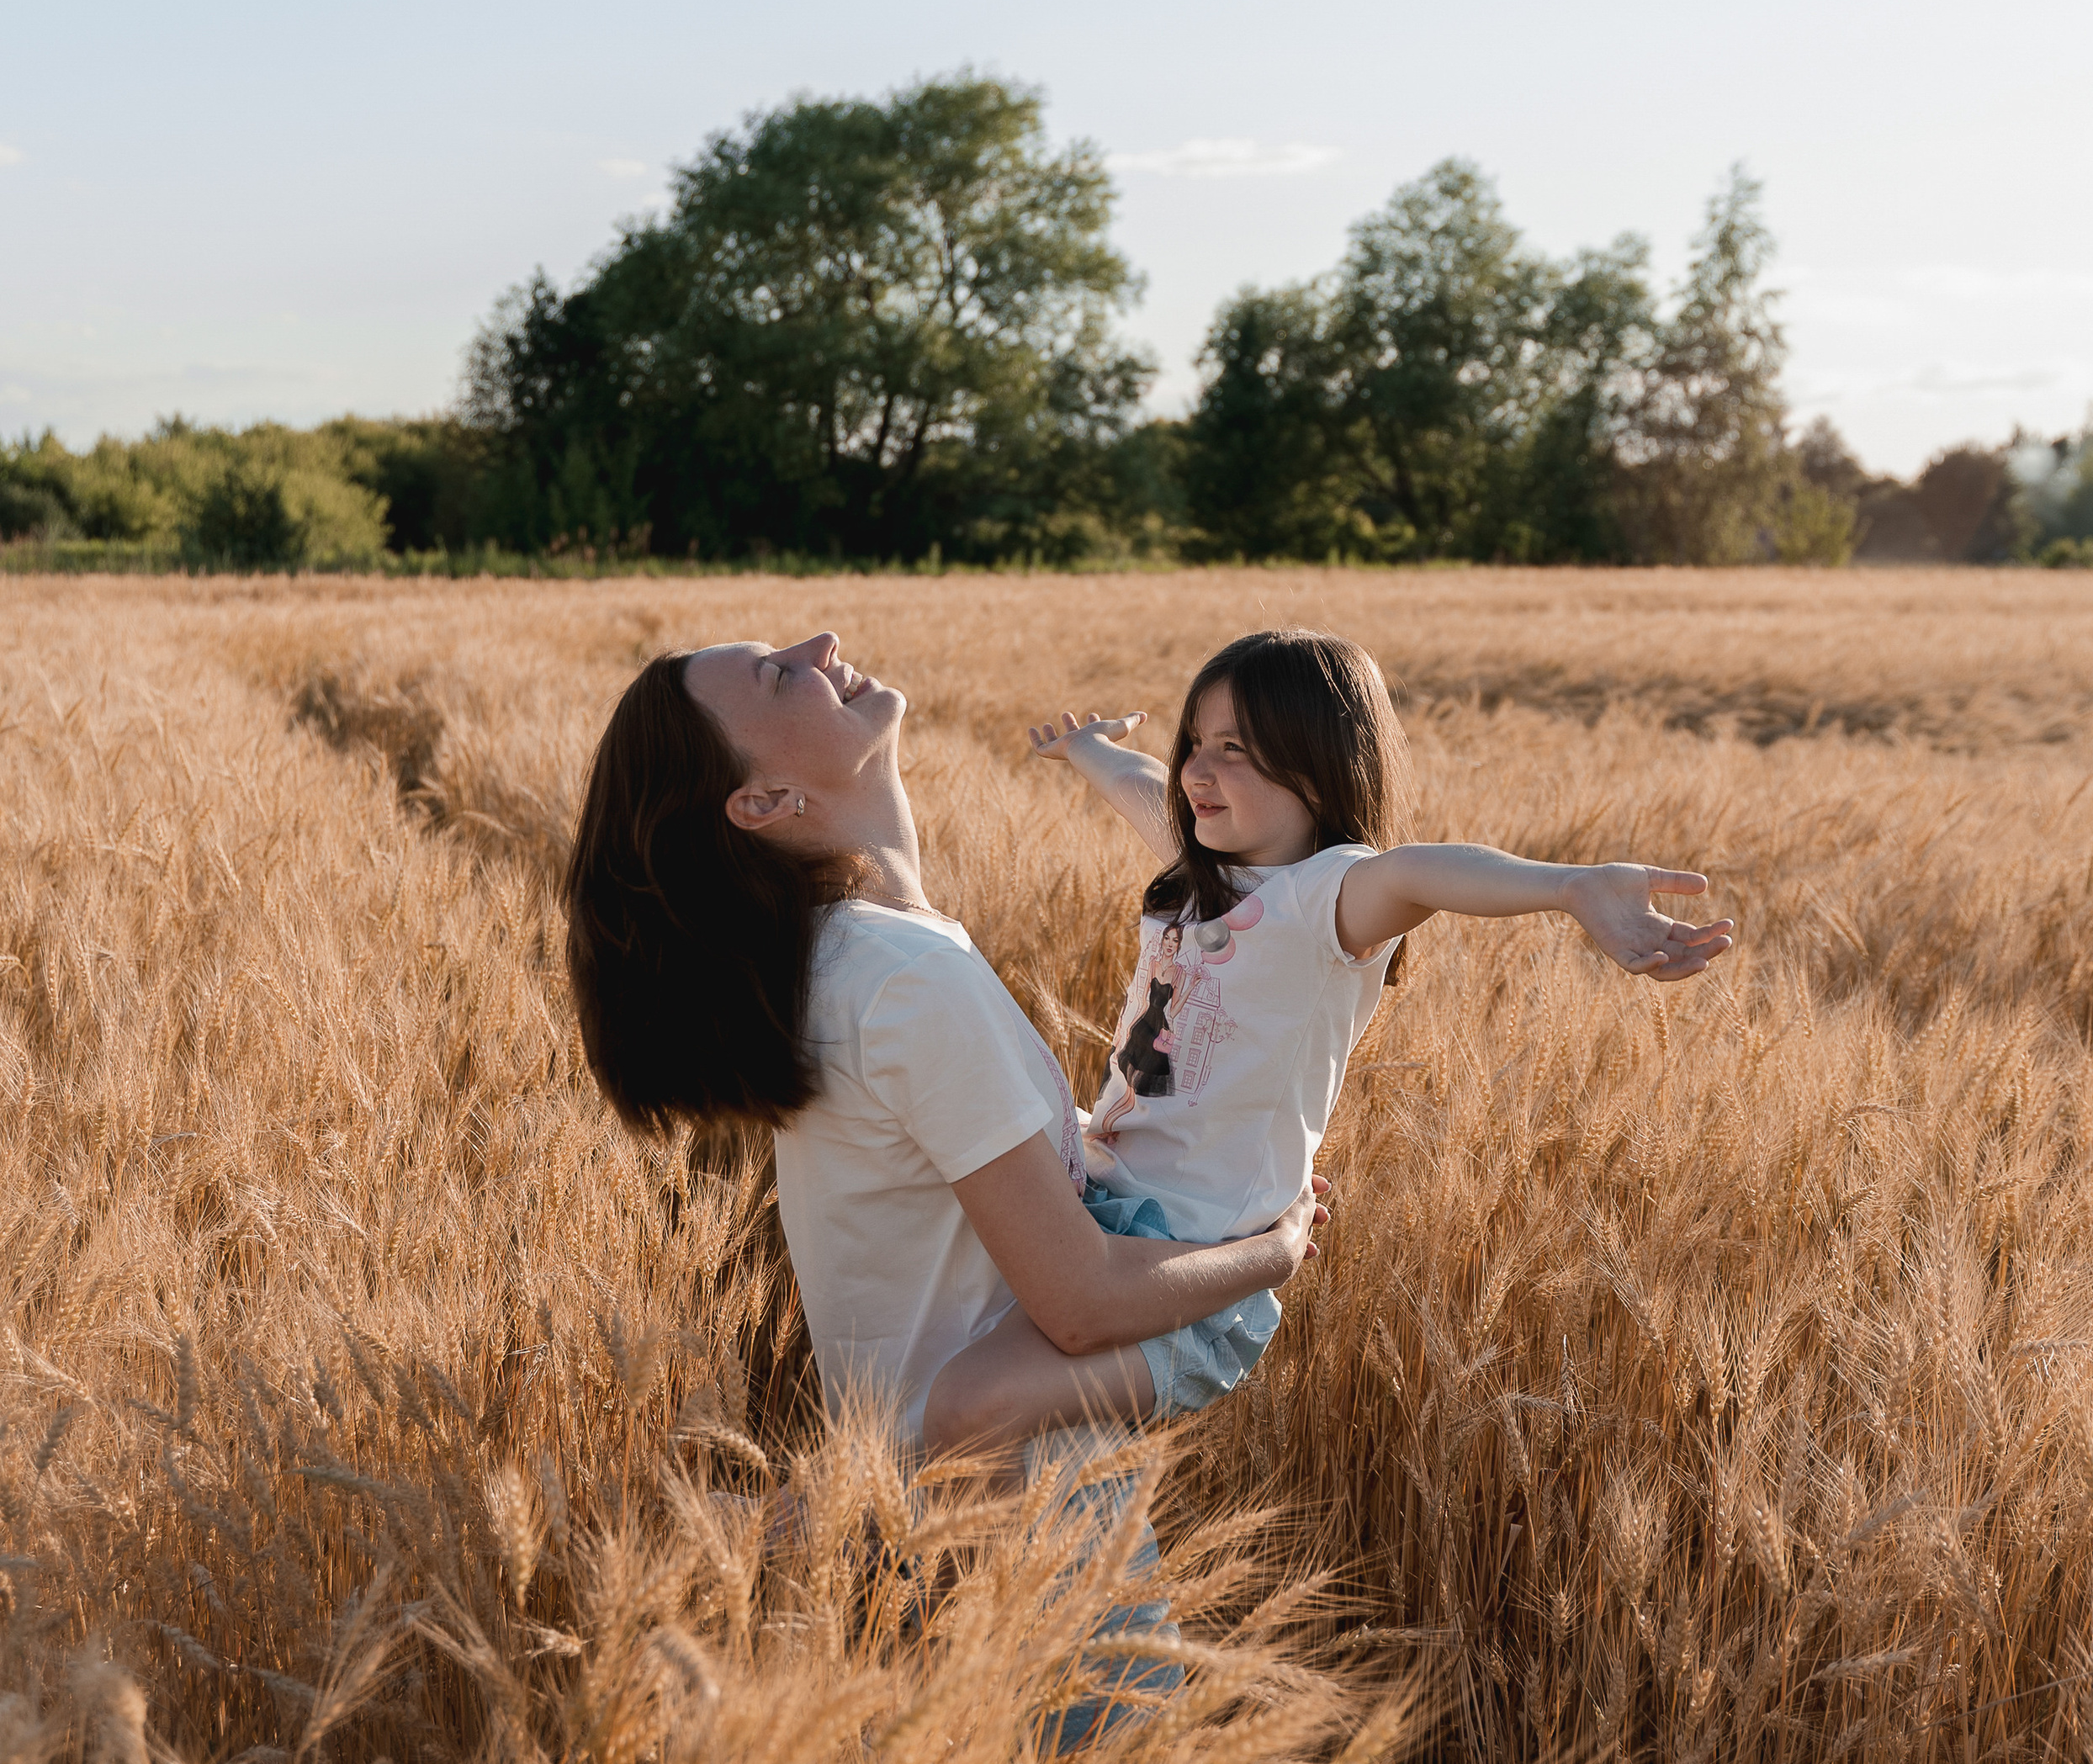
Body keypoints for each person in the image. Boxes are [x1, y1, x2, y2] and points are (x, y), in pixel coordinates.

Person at [919, 627, 1734, 1486]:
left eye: (1237, 750)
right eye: (1196, 742)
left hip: (1194, 1278)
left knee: (973, 1408)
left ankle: (995, 1604)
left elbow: (1421, 871)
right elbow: (1141, 790)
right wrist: (1088, 749)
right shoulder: (1205, 878)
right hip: (1098, 1212)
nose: (1200, 769)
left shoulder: (1326, 899)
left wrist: (1568, 887)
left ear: (1321, 766)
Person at [561, 633, 1330, 1477]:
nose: (821, 646)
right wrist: (1275, 1248)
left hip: (933, 1509)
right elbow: (1081, 1302)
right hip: (1025, 1516)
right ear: (766, 798)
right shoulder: (902, 976)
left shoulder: (848, 960)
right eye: (779, 677)